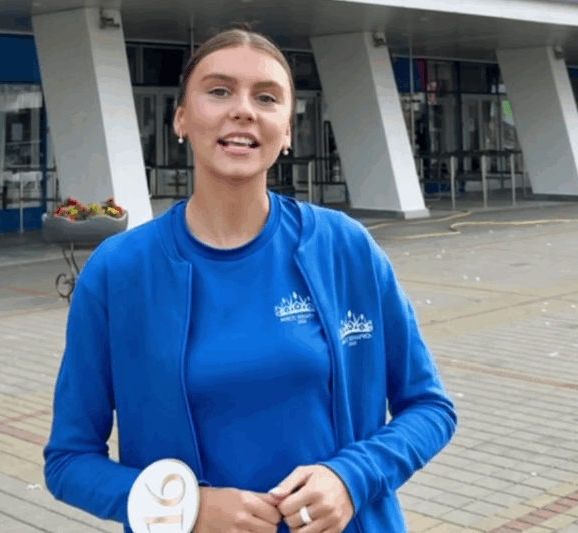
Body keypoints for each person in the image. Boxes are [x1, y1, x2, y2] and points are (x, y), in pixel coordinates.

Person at [43, 25, 458, 533]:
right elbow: (69, 461)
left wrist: (352, 477)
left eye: (266, 97)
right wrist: (184, 509)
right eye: (219, 91)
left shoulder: (345, 248)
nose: (243, 110)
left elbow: (430, 407)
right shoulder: (118, 271)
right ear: (180, 118)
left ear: (287, 130)